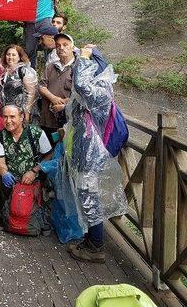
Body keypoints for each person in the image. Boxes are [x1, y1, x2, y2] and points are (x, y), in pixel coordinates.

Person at [65, 47, 127, 263]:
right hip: (85, 155)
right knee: (85, 198)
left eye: (83, 67)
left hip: (92, 158)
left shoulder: (101, 90)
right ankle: (90, 239)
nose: (76, 74)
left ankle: (96, 247)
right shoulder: (94, 92)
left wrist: (83, 57)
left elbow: (81, 85)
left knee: (90, 199)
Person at [0, 105, 53, 205]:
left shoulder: (36, 133)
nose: (8, 121)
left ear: (21, 117)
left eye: (12, 117)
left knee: (30, 211)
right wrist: (4, 173)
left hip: (34, 177)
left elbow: (49, 155)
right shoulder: (0, 135)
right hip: (13, 178)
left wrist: (34, 171)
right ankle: (7, 203)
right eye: (5, 117)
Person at [24, 0, 68, 68]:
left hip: (44, 18)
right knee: (29, 51)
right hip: (29, 22)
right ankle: (31, 76)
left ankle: (53, 70)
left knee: (50, 45)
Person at [39, 33, 76, 143]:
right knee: (48, 148)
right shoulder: (51, 66)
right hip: (48, 119)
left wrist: (65, 104)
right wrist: (53, 98)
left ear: (72, 47)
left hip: (68, 120)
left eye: (65, 45)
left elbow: (82, 95)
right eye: (58, 45)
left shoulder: (78, 68)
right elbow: (41, 85)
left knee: (66, 152)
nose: (61, 48)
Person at [0, 45, 38, 123]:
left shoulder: (25, 71)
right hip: (8, 113)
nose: (10, 57)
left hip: (22, 114)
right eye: (8, 54)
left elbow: (32, 94)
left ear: (19, 57)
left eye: (13, 55)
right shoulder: (5, 73)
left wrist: (26, 113)